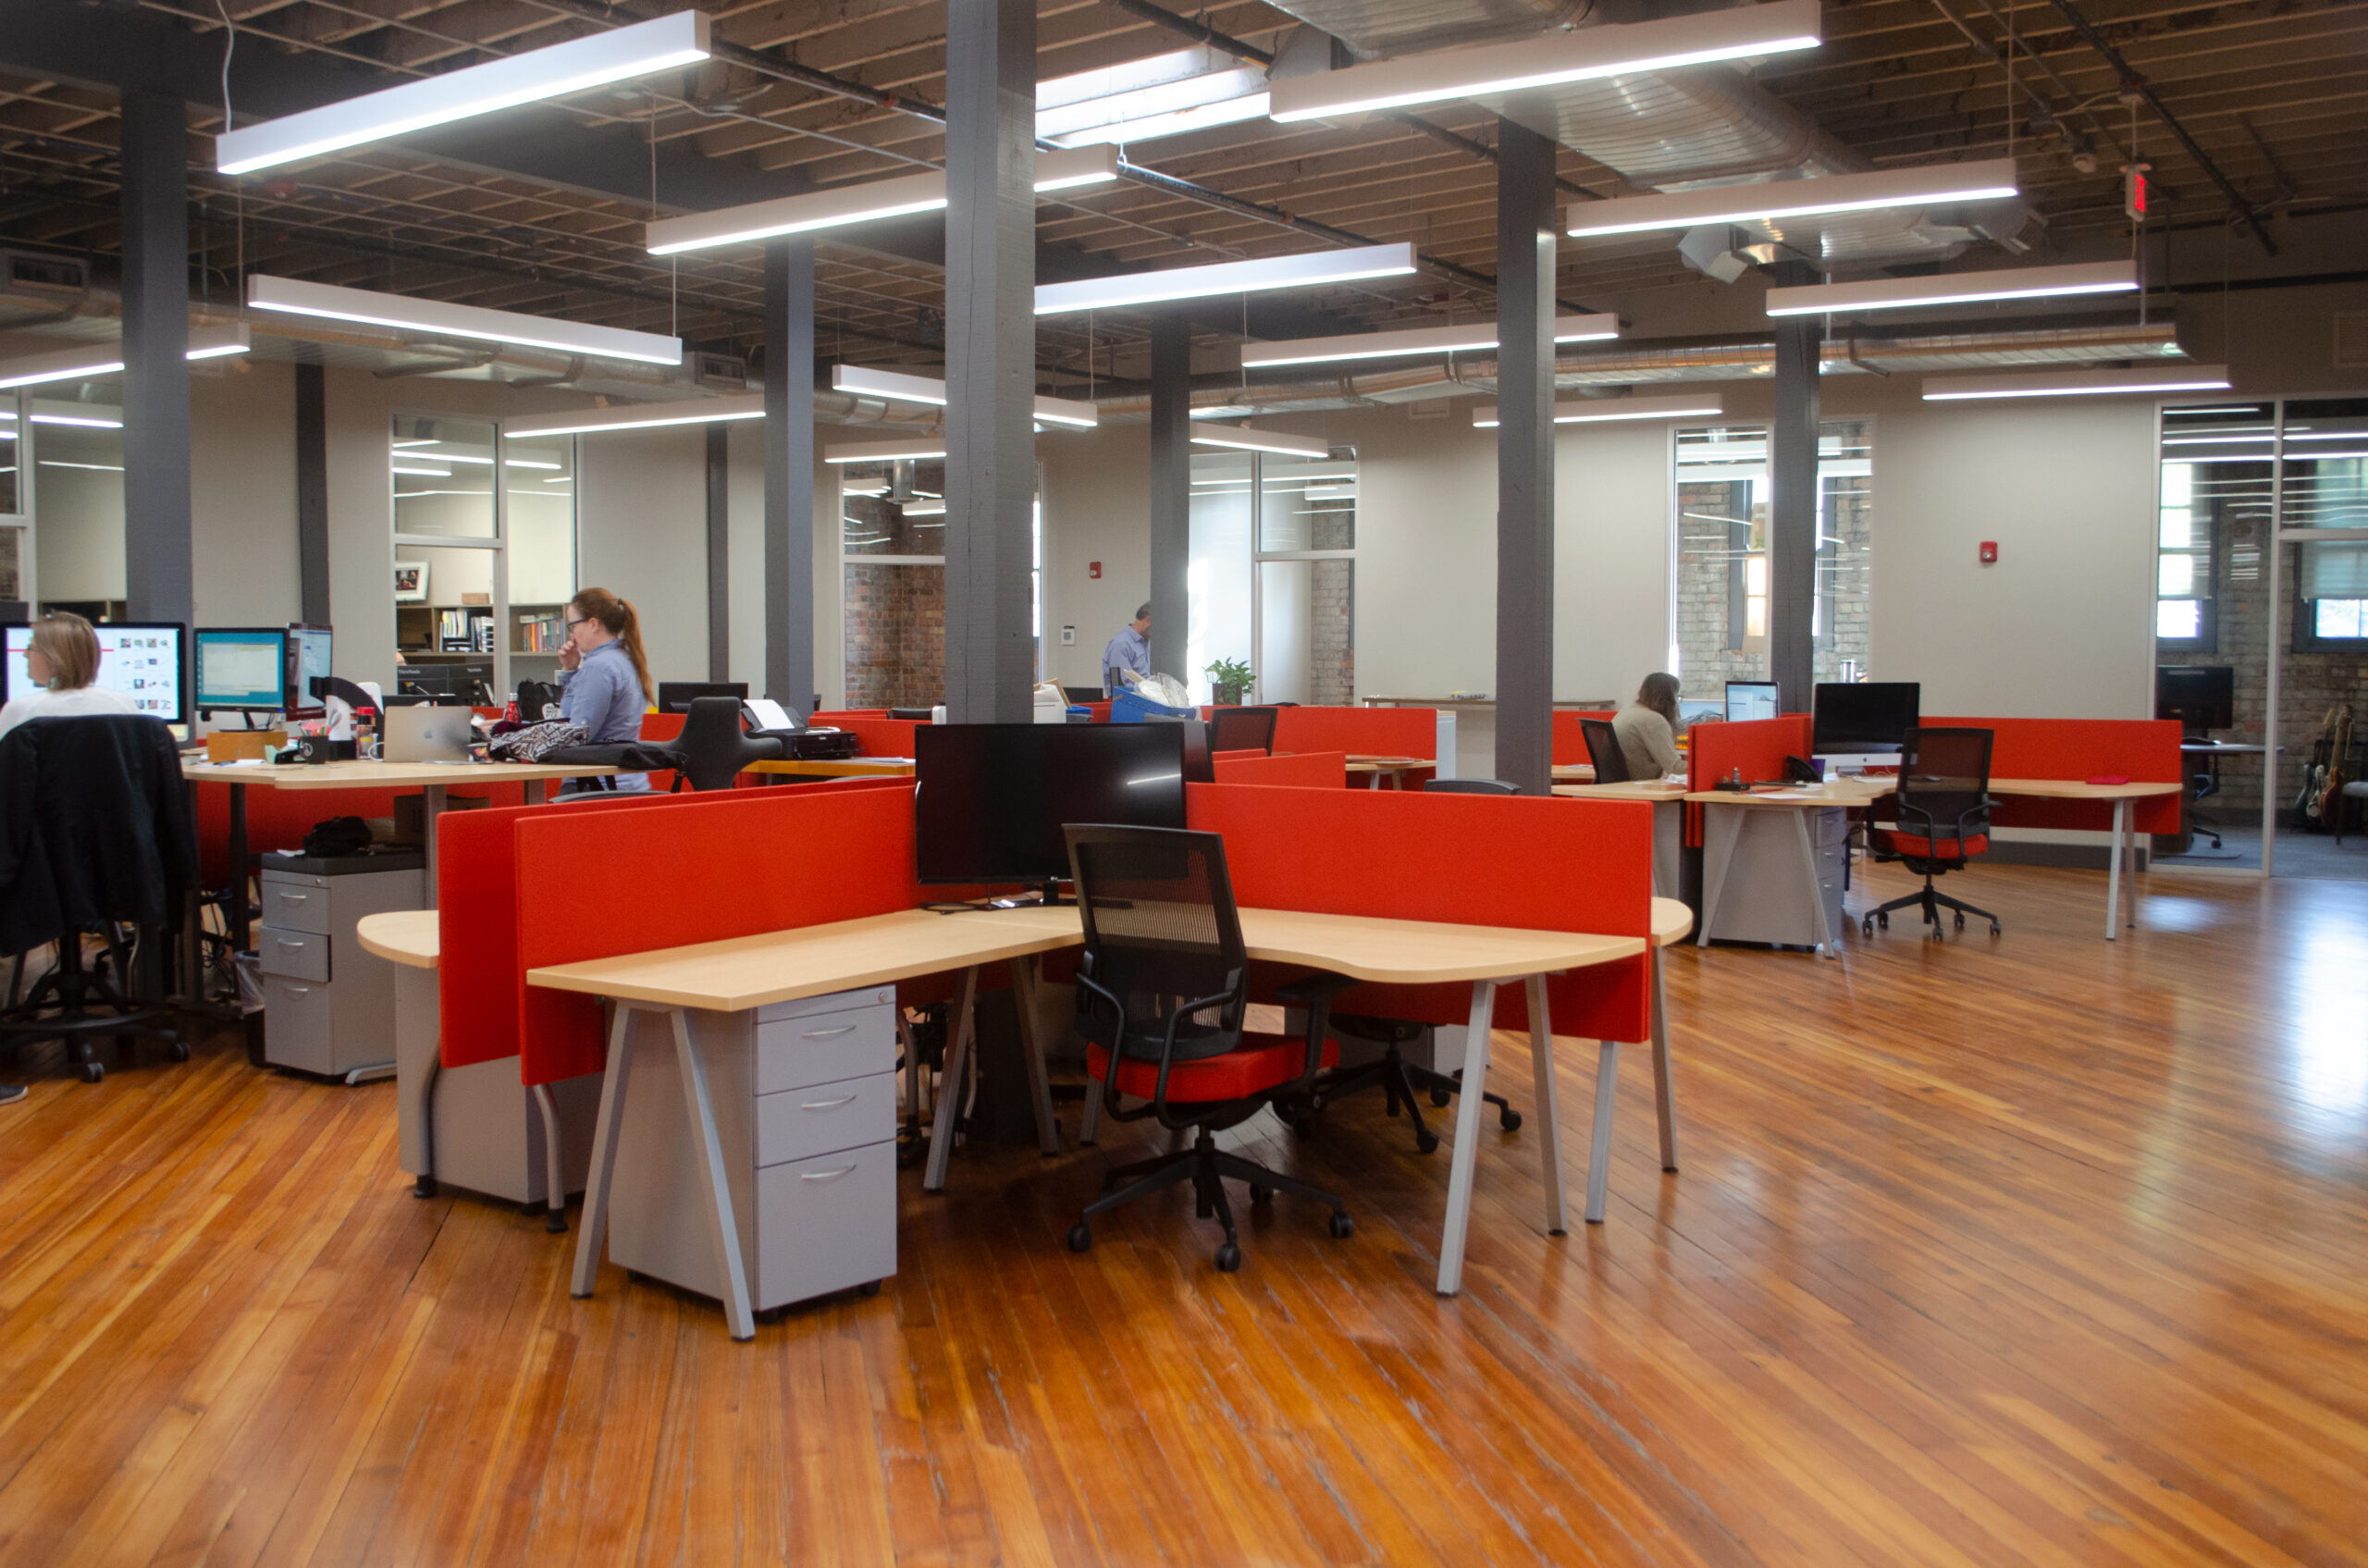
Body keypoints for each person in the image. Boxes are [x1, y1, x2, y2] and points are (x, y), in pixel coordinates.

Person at [555, 587, 656, 793]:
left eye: (573, 625)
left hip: (595, 786)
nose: (572, 634)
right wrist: (571, 670)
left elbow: (576, 734)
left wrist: (511, 733)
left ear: (593, 624)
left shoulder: (597, 668)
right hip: (629, 783)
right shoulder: (625, 659)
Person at [0, 612, 134, 744]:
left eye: (30, 648)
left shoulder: (20, 710)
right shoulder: (124, 704)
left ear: (53, 656)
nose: (25, 654)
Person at [1612, 672, 1684, 781]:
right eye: (1677, 697)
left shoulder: (1628, 710)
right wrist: (1708, 766)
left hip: (1621, 783)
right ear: (1670, 700)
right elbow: (1675, 769)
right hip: (1638, 785)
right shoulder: (1653, 720)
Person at [1102, 603, 1152, 696]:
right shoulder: (1121, 644)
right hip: (1130, 702)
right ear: (1148, 621)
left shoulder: (1143, 644)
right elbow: (1122, 687)